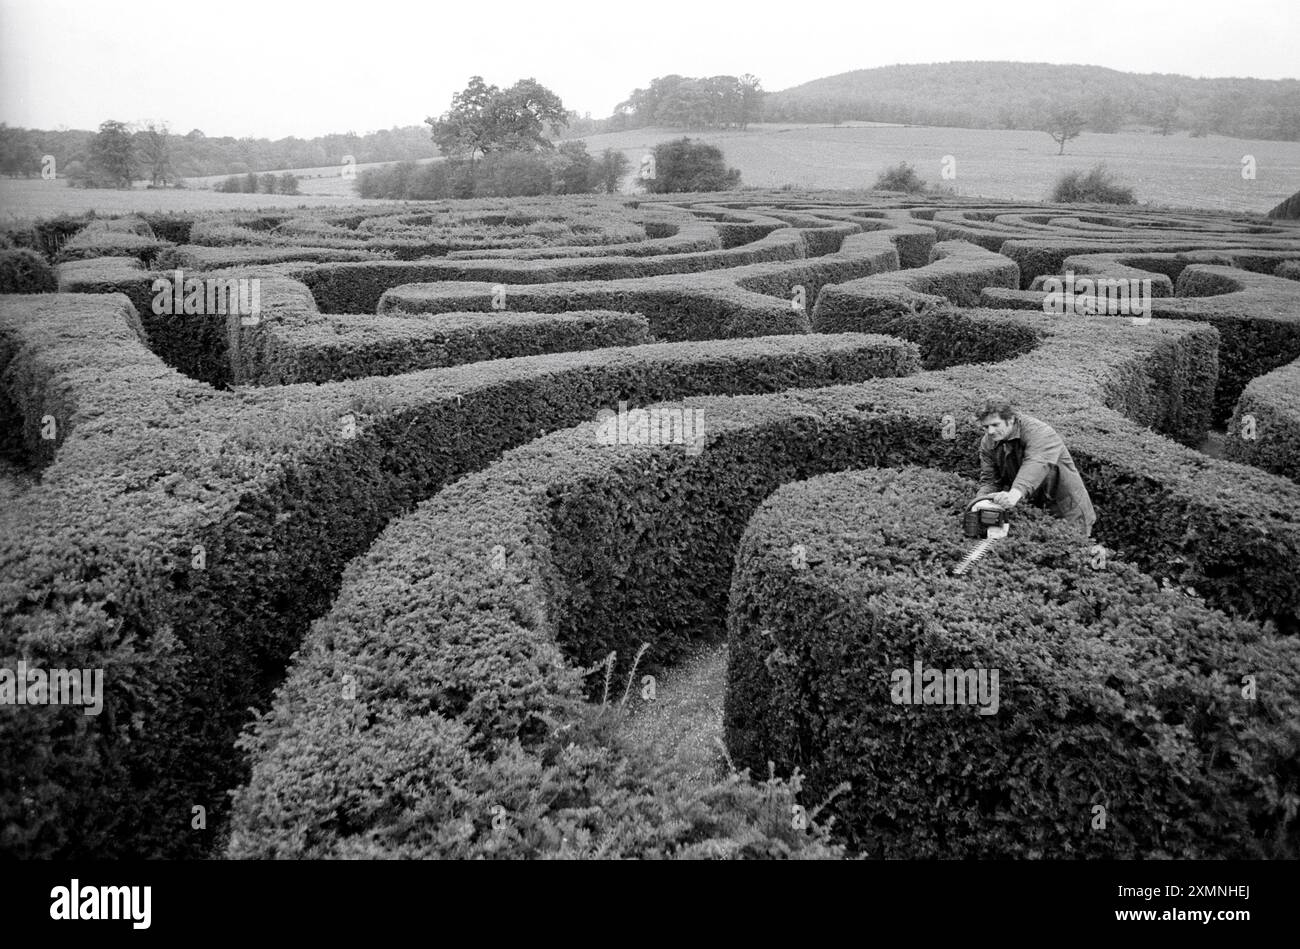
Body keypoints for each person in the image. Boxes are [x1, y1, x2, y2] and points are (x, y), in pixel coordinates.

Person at [971, 399, 1096, 537]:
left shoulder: (1040, 432)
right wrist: (981, 502)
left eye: (995, 424)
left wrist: (1014, 494)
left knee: (1075, 549)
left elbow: (1036, 463)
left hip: (1066, 508)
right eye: (985, 427)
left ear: (1011, 419)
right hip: (1035, 505)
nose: (990, 431)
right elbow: (990, 480)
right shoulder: (988, 443)